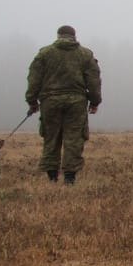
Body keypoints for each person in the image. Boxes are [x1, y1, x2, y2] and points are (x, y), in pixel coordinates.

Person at [26, 25, 102, 184]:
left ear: (58, 35)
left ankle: (52, 177)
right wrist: (95, 102)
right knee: (74, 139)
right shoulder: (85, 54)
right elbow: (94, 81)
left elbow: (34, 80)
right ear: (74, 36)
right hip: (76, 103)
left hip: (50, 102)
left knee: (51, 137)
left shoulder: (44, 54)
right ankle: (69, 178)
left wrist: (32, 101)